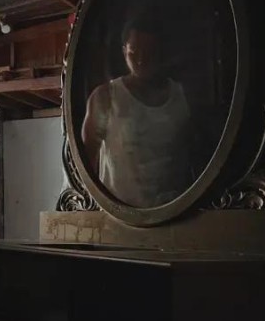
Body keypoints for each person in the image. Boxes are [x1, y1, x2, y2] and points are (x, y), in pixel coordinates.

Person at [81, 16, 192, 208]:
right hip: (120, 216)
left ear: (161, 52)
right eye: (134, 52)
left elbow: (192, 155)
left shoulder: (182, 96)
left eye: (150, 52)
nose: (141, 59)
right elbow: (85, 164)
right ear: (124, 51)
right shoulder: (106, 97)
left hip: (174, 212)